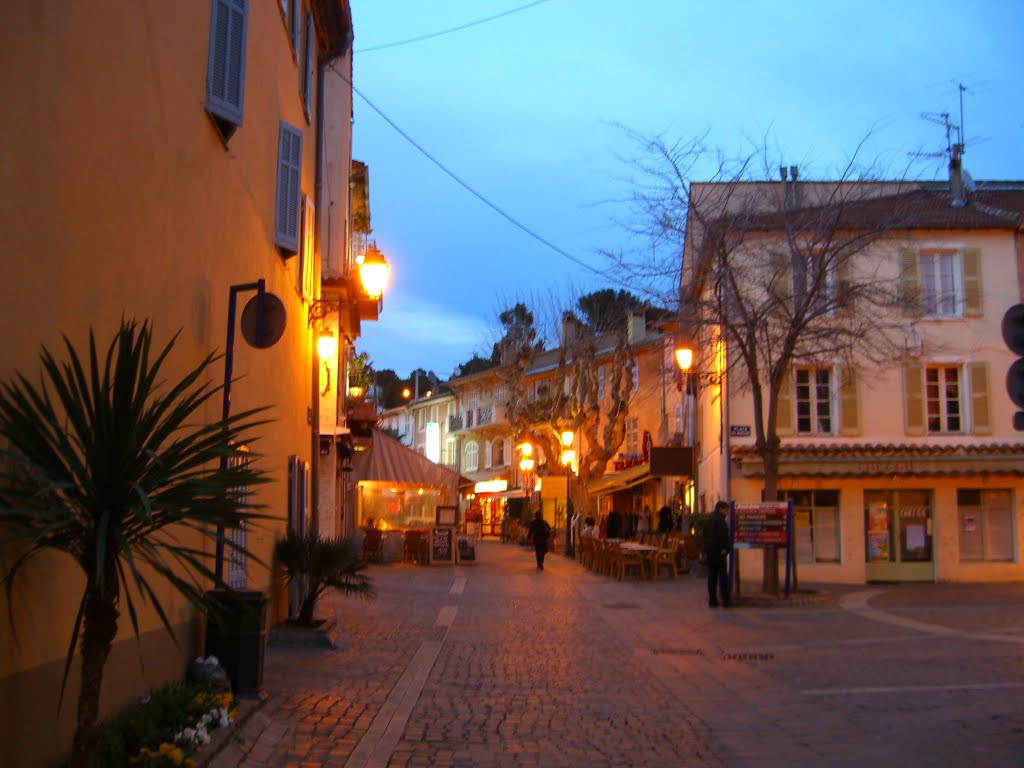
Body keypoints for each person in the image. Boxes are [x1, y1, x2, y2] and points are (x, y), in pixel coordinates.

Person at [703, 500, 732, 607]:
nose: (727, 512)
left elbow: (705, 535)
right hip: (719, 552)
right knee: (723, 577)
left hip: (710, 552)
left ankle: (713, 600)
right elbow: (722, 536)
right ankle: (726, 601)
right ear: (721, 509)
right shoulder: (720, 521)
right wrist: (726, 548)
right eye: (726, 510)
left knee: (712, 577)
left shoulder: (709, 519)